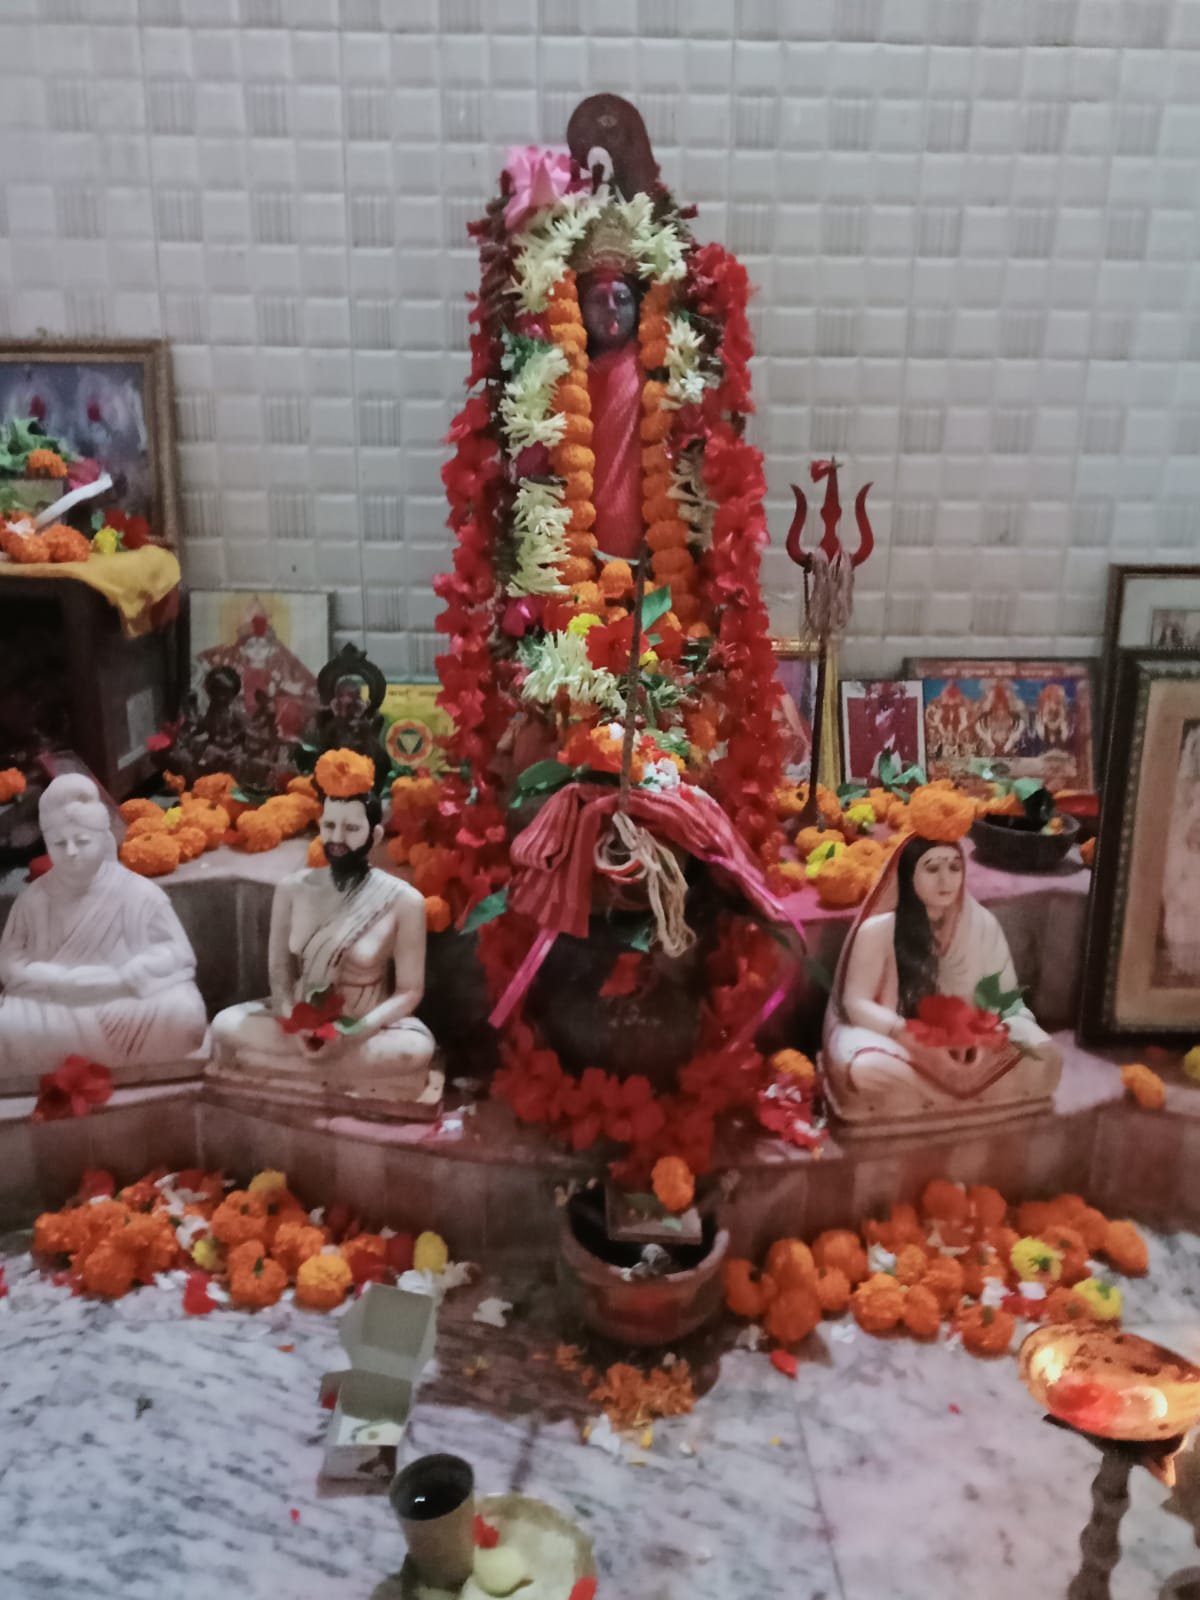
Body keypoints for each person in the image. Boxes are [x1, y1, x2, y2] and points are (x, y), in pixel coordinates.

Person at [210, 750, 438, 1114]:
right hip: (298, 1022)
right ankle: (321, 1066)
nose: (337, 838)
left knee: (414, 1051)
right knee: (225, 1025)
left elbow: (409, 991)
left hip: (365, 1027)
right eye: (330, 826)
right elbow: (280, 975)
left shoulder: (402, 900)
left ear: (375, 835)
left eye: (351, 829)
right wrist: (294, 1023)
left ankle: (299, 1066)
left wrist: (354, 1033)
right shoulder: (292, 889)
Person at [821, 831, 1061, 1134]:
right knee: (864, 1069)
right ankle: (965, 1095)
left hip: (973, 1046)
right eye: (932, 868)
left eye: (954, 867)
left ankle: (941, 1095)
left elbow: (1007, 1002)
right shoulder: (879, 930)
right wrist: (905, 1033)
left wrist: (984, 1039)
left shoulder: (983, 926)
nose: (945, 880)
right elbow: (855, 1003)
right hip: (900, 1042)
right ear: (908, 875)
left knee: (1044, 1053)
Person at [0, 774, 207, 1091]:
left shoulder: (138, 893)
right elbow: (10, 963)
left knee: (184, 1014)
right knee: (7, 1024)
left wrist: (125, 976)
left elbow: (178, 954)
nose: (71, 851)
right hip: (54, 1003)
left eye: (82, 841)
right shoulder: (34, 899)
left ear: (102, 837)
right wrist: (60, 981)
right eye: (59, 843)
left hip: (122, 1000)